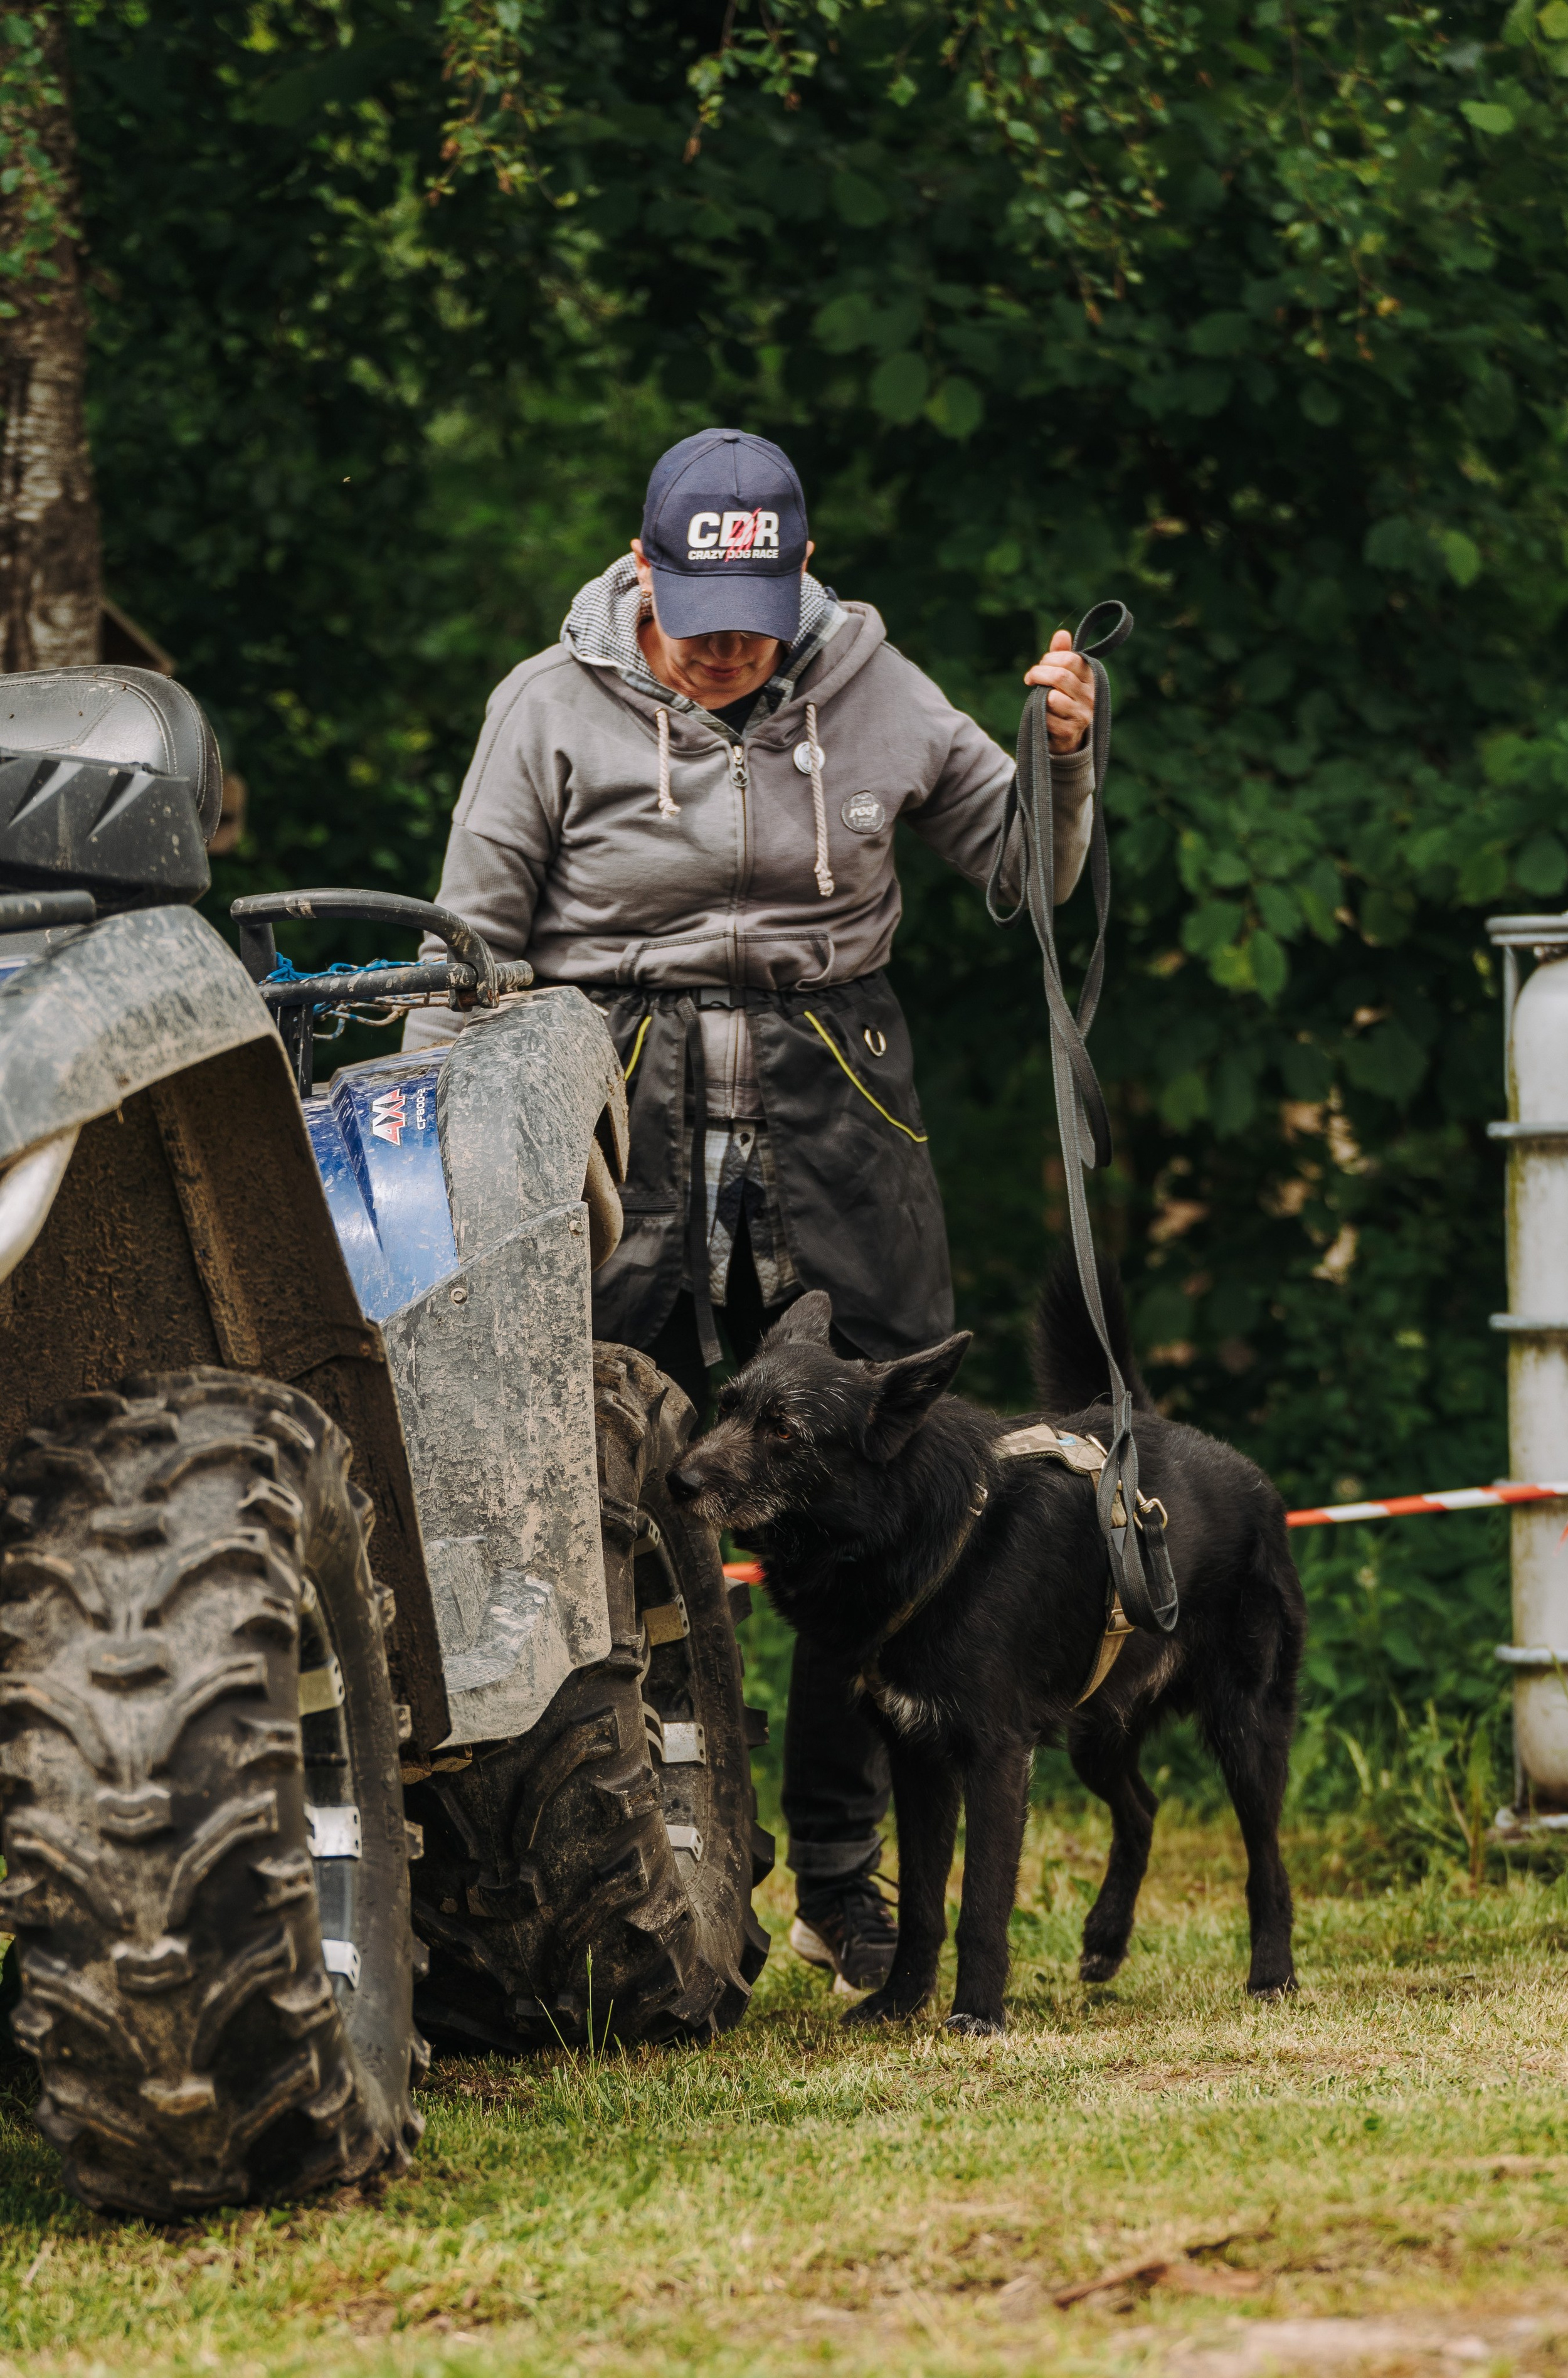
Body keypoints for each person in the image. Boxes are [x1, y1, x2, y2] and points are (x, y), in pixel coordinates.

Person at [404, 427, 1101, 1993]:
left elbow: (1027, 873)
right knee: (588, 1480)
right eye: (699, 619)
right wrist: (442, 1174)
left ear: (800, 578)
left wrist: (1062, 757)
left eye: (755, 622)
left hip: (837, 1113)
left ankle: (842, 1886)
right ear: (640, 571)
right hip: (610, 1113)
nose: (727, 652)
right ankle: (604, 1878)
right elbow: (466, 951)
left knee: (890, 1507)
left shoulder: (877, 683)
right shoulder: (544, 707)